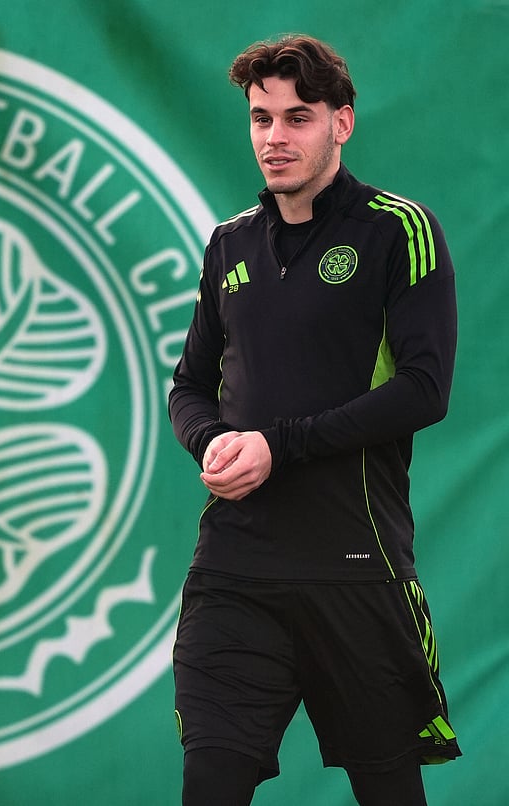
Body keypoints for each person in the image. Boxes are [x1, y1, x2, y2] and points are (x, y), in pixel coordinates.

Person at [168, 34, 461, 806]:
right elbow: (189, 386)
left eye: (297, 118)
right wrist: (214, 439)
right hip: (234, 574)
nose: (274, 138)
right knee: (211, 781)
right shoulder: (227, 243)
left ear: (343, 122)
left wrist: (279, 444)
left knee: (388, 790)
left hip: (355, 570)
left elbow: (426, 390)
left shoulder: (399, 229)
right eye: (261, 118)